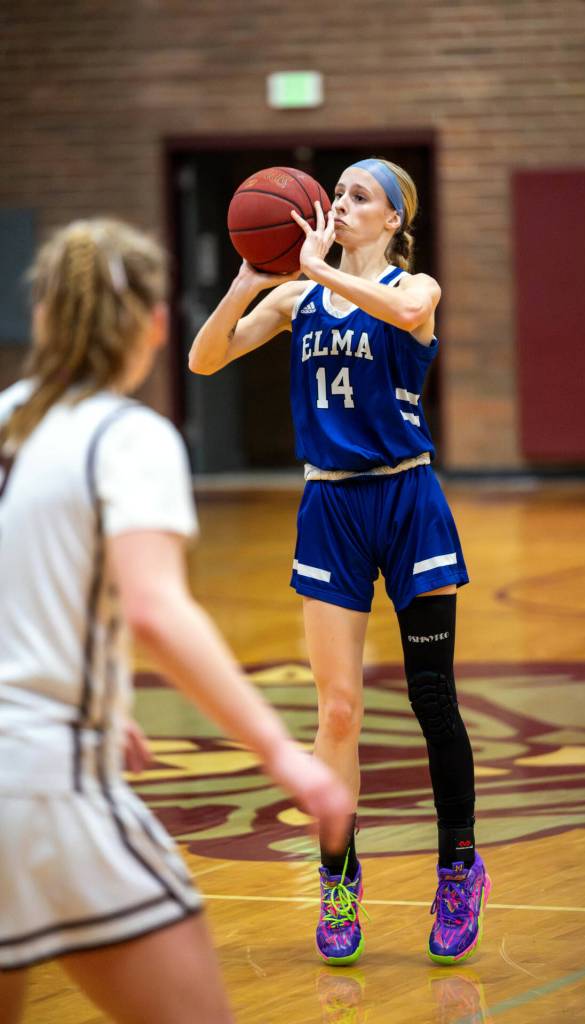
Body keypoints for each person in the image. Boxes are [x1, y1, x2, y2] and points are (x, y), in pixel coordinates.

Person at [0, 218, 352, 1024]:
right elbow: (156, 608)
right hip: (44, 782)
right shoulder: (128, 435)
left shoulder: (6, 417)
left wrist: (100, 697)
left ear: (43, 316)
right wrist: (284, 758)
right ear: (155, 325)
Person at [189, 157, 491, 966]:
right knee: (337, 712)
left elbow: (396, 307)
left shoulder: (416, 288)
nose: (339, 203)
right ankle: (336, 875)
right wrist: (253, 281)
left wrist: (322, 269)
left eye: (359, 197)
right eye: (339, 193)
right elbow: (204, 360)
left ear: (392, 218)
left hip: (408, 501)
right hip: (331, 508)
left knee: (433, 700)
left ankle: (458, 868)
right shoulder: (299, 297)